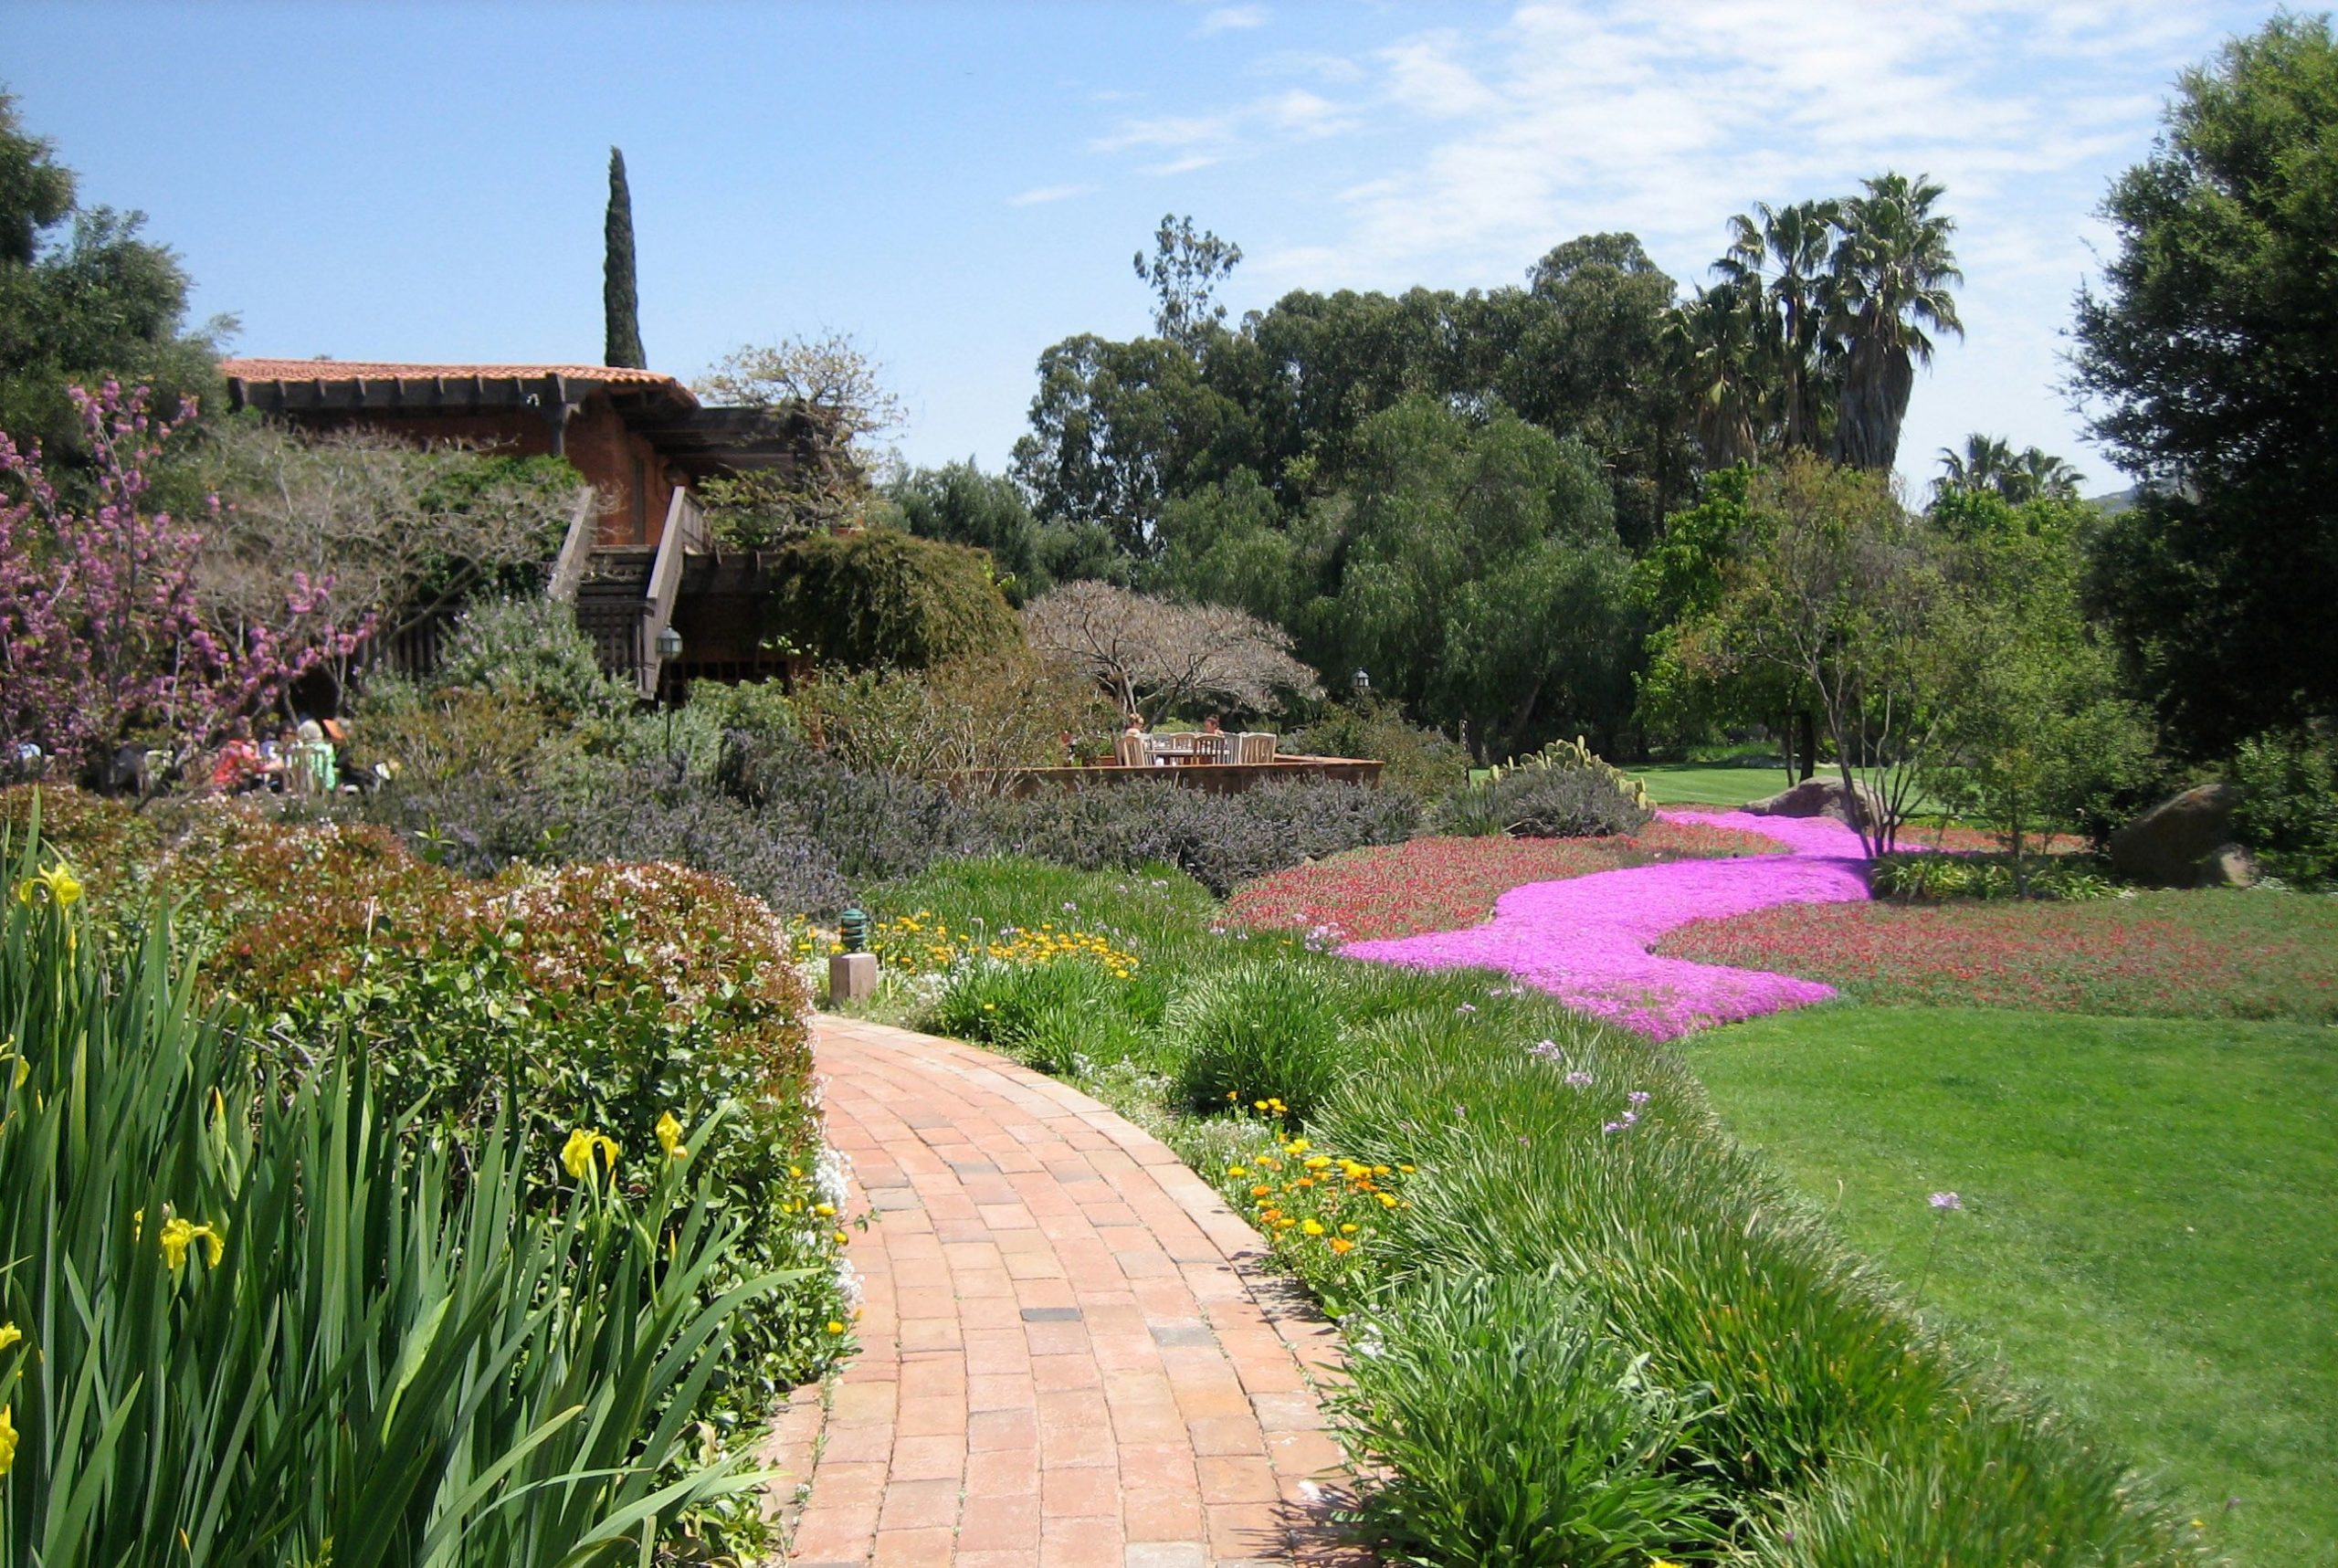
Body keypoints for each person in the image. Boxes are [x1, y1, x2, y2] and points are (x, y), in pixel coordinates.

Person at [210, 720, 262, 793]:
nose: (251, 733)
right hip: (227, 784)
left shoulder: (227, 745)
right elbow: (256, 767)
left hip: (217, 781)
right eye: (250, 731)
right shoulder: (242, 749)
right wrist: (257, 749)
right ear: (243, 732)